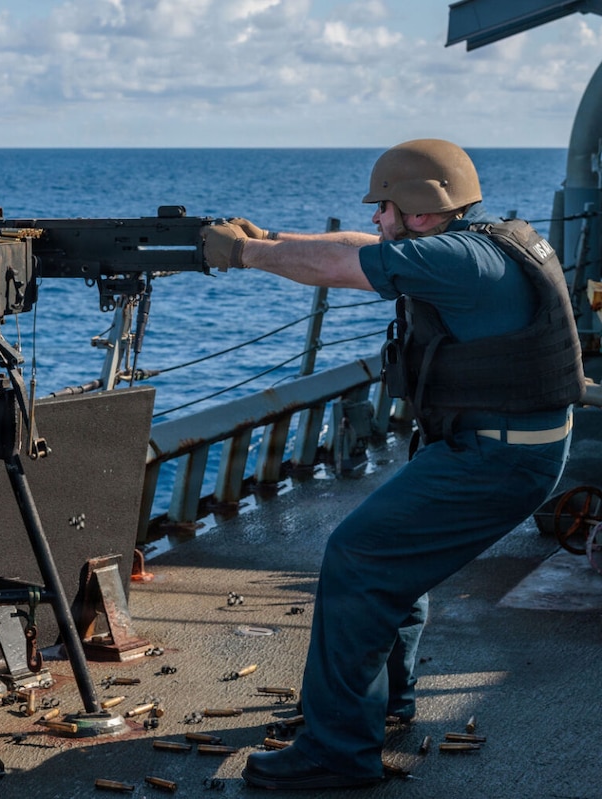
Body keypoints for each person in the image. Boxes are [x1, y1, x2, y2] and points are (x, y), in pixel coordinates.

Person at [201, 139, 585, 790]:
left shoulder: (456, 261)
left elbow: (347, 263)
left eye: (385, 206)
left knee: (358, 557)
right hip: (510, 444)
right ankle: (384, 703)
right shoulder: (479, 239)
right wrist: (271, 234)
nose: (378, 216)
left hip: (497, 455)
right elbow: (363, 246)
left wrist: (245, 253)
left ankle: (337, 752)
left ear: (422, 211)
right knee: (388, 559)